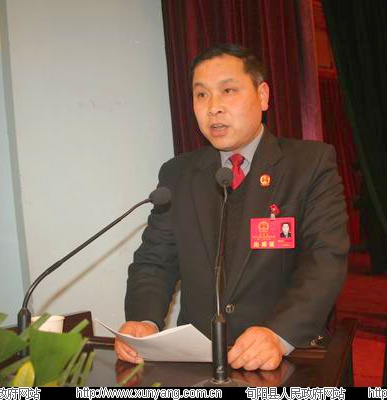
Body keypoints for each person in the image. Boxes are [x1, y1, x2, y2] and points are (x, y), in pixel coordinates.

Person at [116, 44, 348, 371]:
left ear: (263, 96)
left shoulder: (309, 165)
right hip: (198, 361)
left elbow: (325, 260)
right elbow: (154, 261)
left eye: (228, 91)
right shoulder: (178, 174)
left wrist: (278, 333)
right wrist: (145, 321)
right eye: (201, 95)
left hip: (286, 356)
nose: (213, 108)